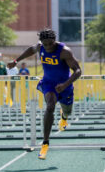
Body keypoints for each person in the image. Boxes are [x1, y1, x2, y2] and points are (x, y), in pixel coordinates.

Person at [7, 28, 81, 160]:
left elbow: (78, 71)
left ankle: (64, 117)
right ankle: (45, 142)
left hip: (65, 85)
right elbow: (31, 49)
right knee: (50, 106)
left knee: (68, 111)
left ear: (54, 40)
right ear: (41, 42)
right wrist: (16, 61)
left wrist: (64, 85)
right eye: (45, 44)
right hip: (48, 83)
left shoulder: (64, 51)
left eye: (50, 44)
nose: (48, 47)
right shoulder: (40, 47)